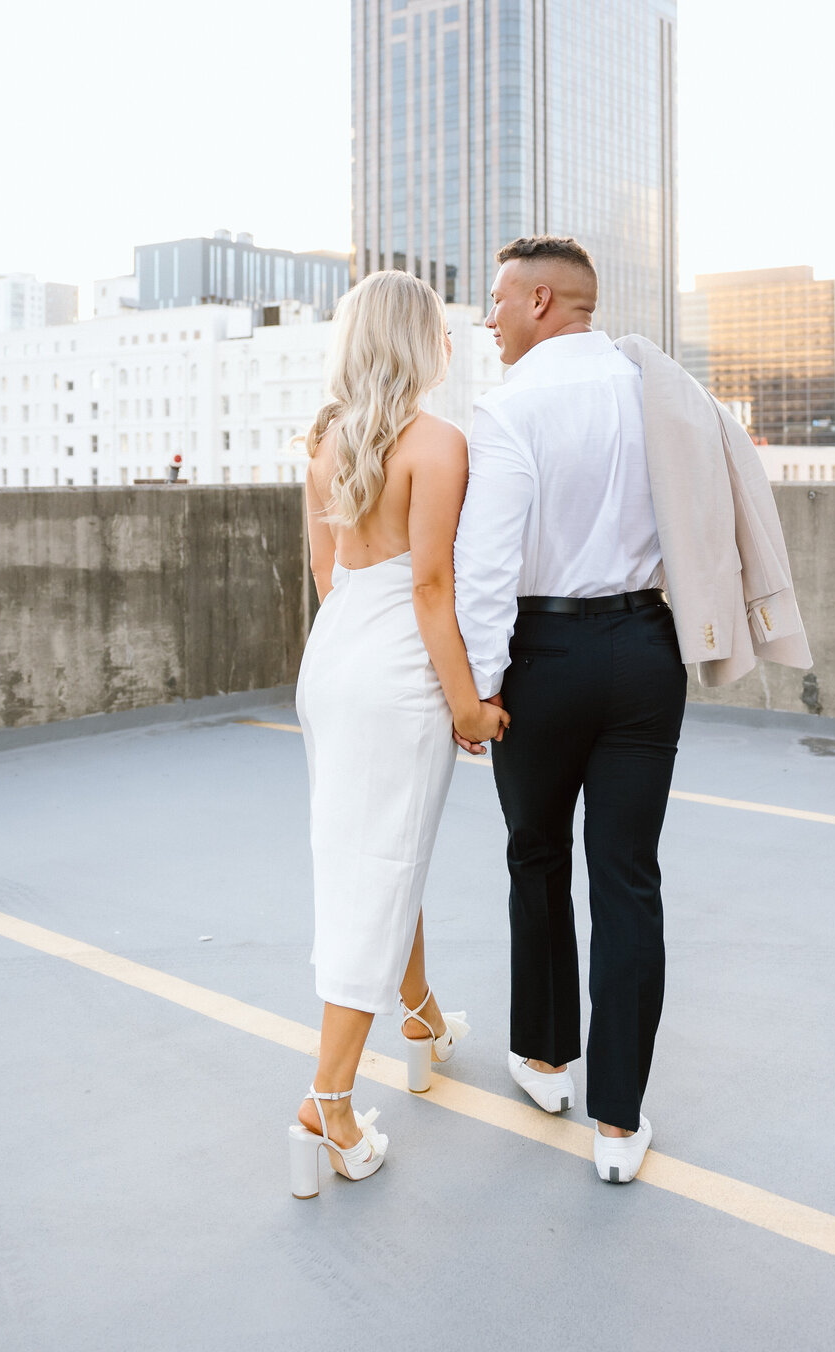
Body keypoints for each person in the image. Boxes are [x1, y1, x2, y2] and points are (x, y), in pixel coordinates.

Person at [453, 236, 687, 1185]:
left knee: (536, 853)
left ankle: (547, 1058)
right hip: (644, 650)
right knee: (629, 876)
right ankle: (620, 1125)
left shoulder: (509, 409)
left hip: (543, 657)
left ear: (543, 300)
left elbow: (487, 568)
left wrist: (479, 687)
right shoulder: (655, 393)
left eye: (501, 301)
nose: (492, 319)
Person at [289, 269, 509, 1199]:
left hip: (332, 661)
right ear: (421, 344)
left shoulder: (326, 443)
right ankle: (327, 1102)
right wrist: (468, 702)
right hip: (396, 674)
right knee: (377, 871)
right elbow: (431, 590)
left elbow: (327, 570)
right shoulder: (440, 443)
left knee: (376, 851)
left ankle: (417, 1017)